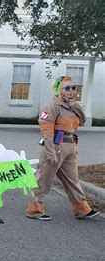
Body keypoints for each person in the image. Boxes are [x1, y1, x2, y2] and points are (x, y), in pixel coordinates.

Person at [25, 76, 99, 221]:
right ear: (59, 90)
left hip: (70, 146)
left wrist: (75, 105)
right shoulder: (52, 107)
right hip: (55, 146)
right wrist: (51, 151)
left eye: (73, 88)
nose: (71, 91)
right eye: (67, 88)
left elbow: (83, 120)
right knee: (44, 179)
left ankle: (81, 208)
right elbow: (46, 131)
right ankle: (34, 209)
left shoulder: (72, 107)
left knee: (73, 180)